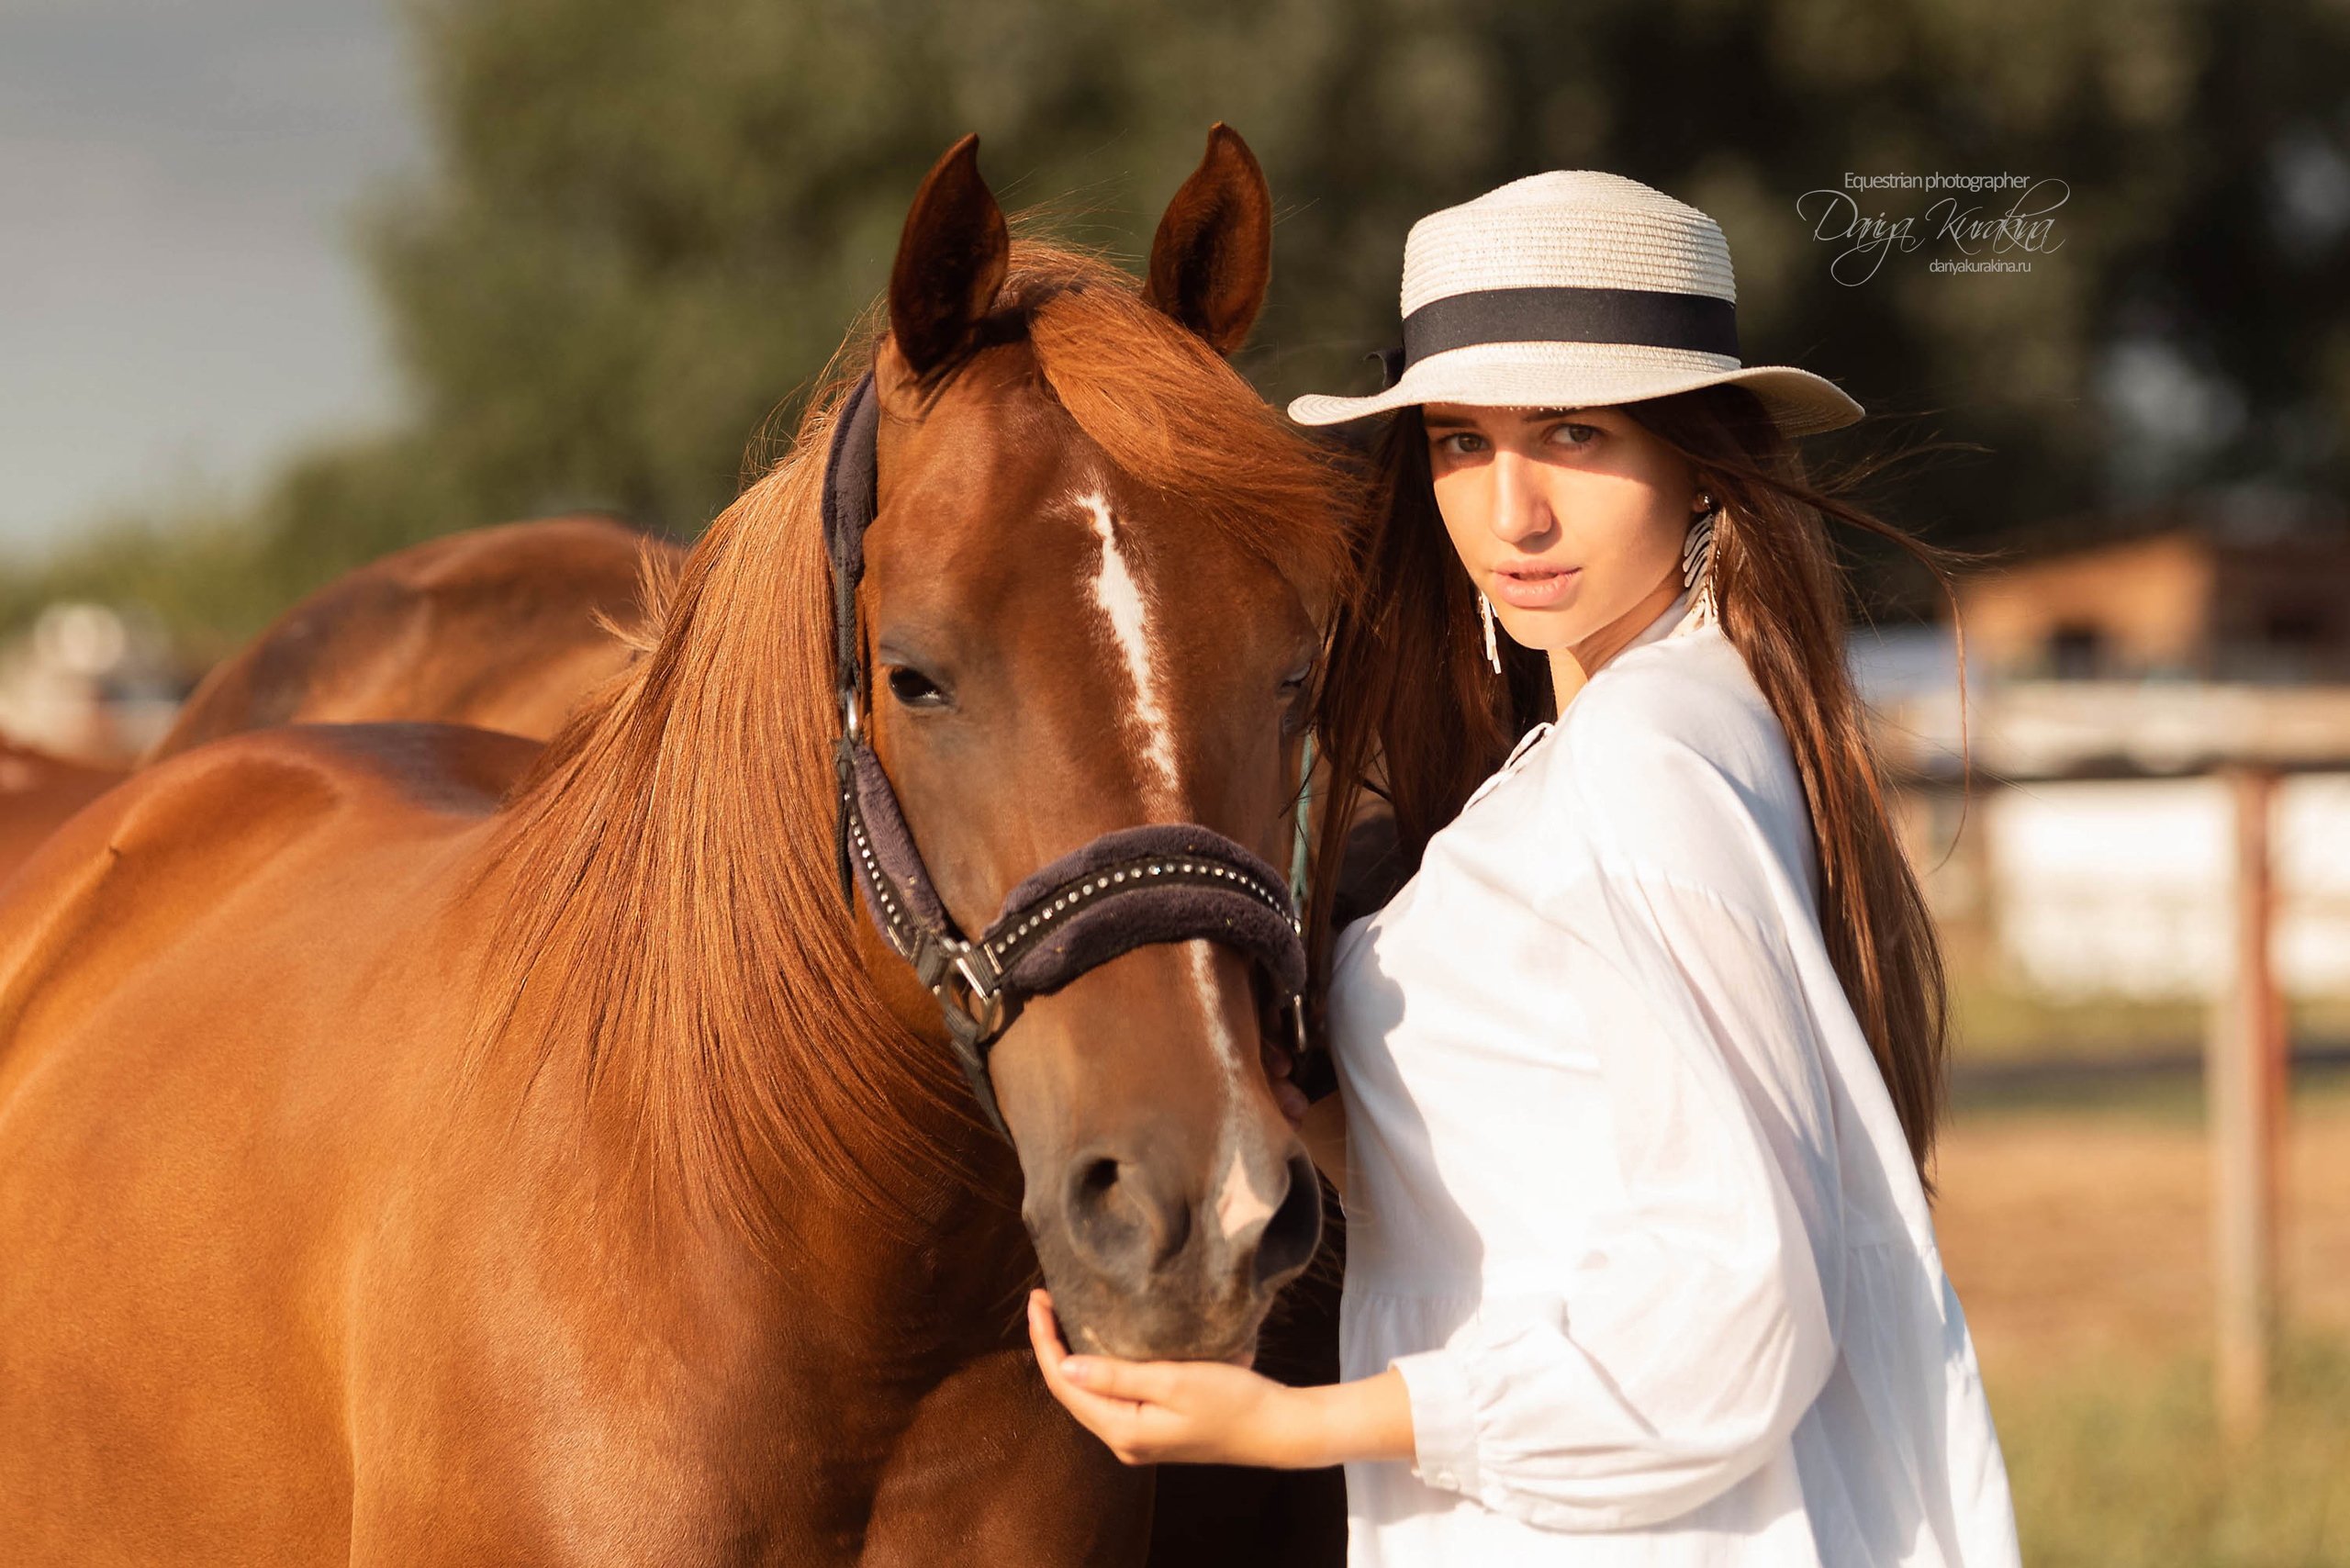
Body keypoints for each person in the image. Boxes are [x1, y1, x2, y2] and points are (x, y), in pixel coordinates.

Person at [1028, 170, 2020, 1566]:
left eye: (1573, 432)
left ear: (1696, 453)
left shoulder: (1644, 764)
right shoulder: (1696, 720)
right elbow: (1562, 1170)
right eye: (1457, 441)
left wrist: (1293, 1428)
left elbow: (1736, 1309)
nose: (1513, 514)